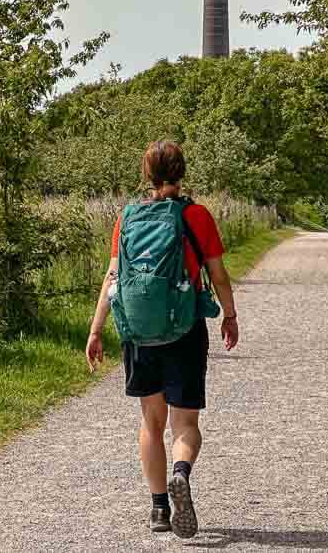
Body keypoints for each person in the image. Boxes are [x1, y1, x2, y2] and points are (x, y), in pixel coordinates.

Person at [85, 140, 239, 539]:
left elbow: (113, 278)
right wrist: (230, 314)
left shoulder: (128, 218)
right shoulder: (197, 216)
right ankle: (180, 472)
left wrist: (96, 329)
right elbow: (218, 275)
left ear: (147, 174)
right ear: (182, 171)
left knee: (151, 424)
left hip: (139, 333)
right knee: (184, 423)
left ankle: (158, 509)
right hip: (184, 329)